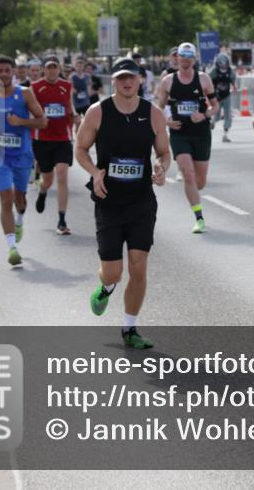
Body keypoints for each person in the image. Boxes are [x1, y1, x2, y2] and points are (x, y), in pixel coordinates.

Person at [76, 57, 171, 350]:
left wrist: (161, 167)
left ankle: (130, 329)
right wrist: (95, 173)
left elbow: (164, 152)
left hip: (142, 202)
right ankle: (106, 287)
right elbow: (80, 149)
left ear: (140, 79)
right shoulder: (97, 112)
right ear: (113, 81)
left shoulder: (153, 114)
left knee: (138, 267)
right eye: (121, 78)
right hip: (109, 202)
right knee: (113, 272)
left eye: (131, 77)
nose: (127, 82)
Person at [0, 56, 47, 266]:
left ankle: (19, 221)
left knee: (20, 198)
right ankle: (12, 248)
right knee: (5, 199)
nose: (3, 74)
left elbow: (43, 122)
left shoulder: (25, 93)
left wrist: (21, 121)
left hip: (22, 155)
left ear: (13, 72)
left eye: (7, 70)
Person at [154, 42, 219, 234]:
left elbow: (215, 106)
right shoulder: (168, 81)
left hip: (201, 134)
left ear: (194, 59)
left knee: (200, 182)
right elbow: (159, 108)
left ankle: (194, 193)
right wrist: (167, 122)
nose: (186, 59)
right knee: (188, 174)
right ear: (178, 57)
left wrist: (204, 115)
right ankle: (199, 218)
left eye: (190, 56)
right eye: (183, 56)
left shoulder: (204, 79)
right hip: (179, 134)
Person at [31, 55, 76, 235]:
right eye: (48, 67)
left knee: (62, 175)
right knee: (48, 180)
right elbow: (30, 111)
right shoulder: (35, 87)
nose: (51, 70)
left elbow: (70, 107)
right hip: (42, 139)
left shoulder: (67, 86)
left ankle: (62, 220)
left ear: (59, 69)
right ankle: (42, 191)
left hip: (63, 139)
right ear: (44, 69)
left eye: (54, 67)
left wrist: (74, 116)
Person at [209, 52, 237, 142]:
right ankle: (212, 122)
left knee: (228, 115)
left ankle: (225, 134)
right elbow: (208, 82)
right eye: (221, 63)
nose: (224, 65)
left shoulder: (230, 71)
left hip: (226, 95)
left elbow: (233, 80)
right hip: (216, 96)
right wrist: (210, 94)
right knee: (217, 116)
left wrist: (234, 87)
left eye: (225, 63)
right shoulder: (214, 71)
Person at [70, 57, 93, 131]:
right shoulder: (72, 77)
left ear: (83, 67)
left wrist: (88, 92)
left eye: (81, 66)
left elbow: (89, 86)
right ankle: (77, 135)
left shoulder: (87, 76)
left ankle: (87, 135)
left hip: (85, 102)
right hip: (76, 103)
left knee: (88, 121)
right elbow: (70, 88)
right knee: (78, 122)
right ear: (75, 67)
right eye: (78, 66)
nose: (79, 68)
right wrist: (74, 90)